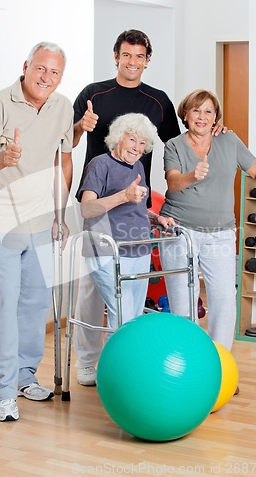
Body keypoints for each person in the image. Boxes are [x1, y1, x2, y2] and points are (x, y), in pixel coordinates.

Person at [73, 29, 226, 386]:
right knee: (92, 289)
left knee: (131, 291)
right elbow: (68, 140)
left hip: (135, 204)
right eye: (126, 54)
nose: (132, 62)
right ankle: (87, 361)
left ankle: (122, 360)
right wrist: (82, 125)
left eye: (139, 56)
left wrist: (211, 130)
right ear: (116, 56)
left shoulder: (157, 100)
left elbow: (181, 140)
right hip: (97, 201)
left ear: (146, 60)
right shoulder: (93, 94)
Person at [0, 42, 73, 422]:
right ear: (26, 66)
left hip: (41, 219)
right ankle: (1, 391)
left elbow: (64, 163)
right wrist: (3, 158)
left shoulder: (62, 106)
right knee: (4, 307)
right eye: (41, 69)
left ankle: (24, 377)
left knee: (33, 306)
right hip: (1, 223)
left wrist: (60, 215)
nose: (47, 77)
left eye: (55, 72)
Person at [158, 89, 256, 355]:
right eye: (196, 110)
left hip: (220, 232)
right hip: (179, 230)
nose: (202, 116)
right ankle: (189, 362)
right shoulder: (174, 145)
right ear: (185, 115)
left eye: (208, 111)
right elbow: (173, 182)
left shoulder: (229, 140)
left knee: (224, 298)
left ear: (216, 118)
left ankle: (220, 365)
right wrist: (193, 176)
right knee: (182, 302)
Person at [77, 113, 175, 340]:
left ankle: (129, 368)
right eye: (132, 139)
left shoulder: (138, 167)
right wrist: (123, 195)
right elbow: (87, 208)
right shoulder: (100, 165)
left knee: (133, 315)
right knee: (122, 314)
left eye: (142, 143)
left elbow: (135, 209)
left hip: (138, 249)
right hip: (107, 251)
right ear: (118, 137)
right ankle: (118, 371)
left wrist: (155, 218)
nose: (137, 147)